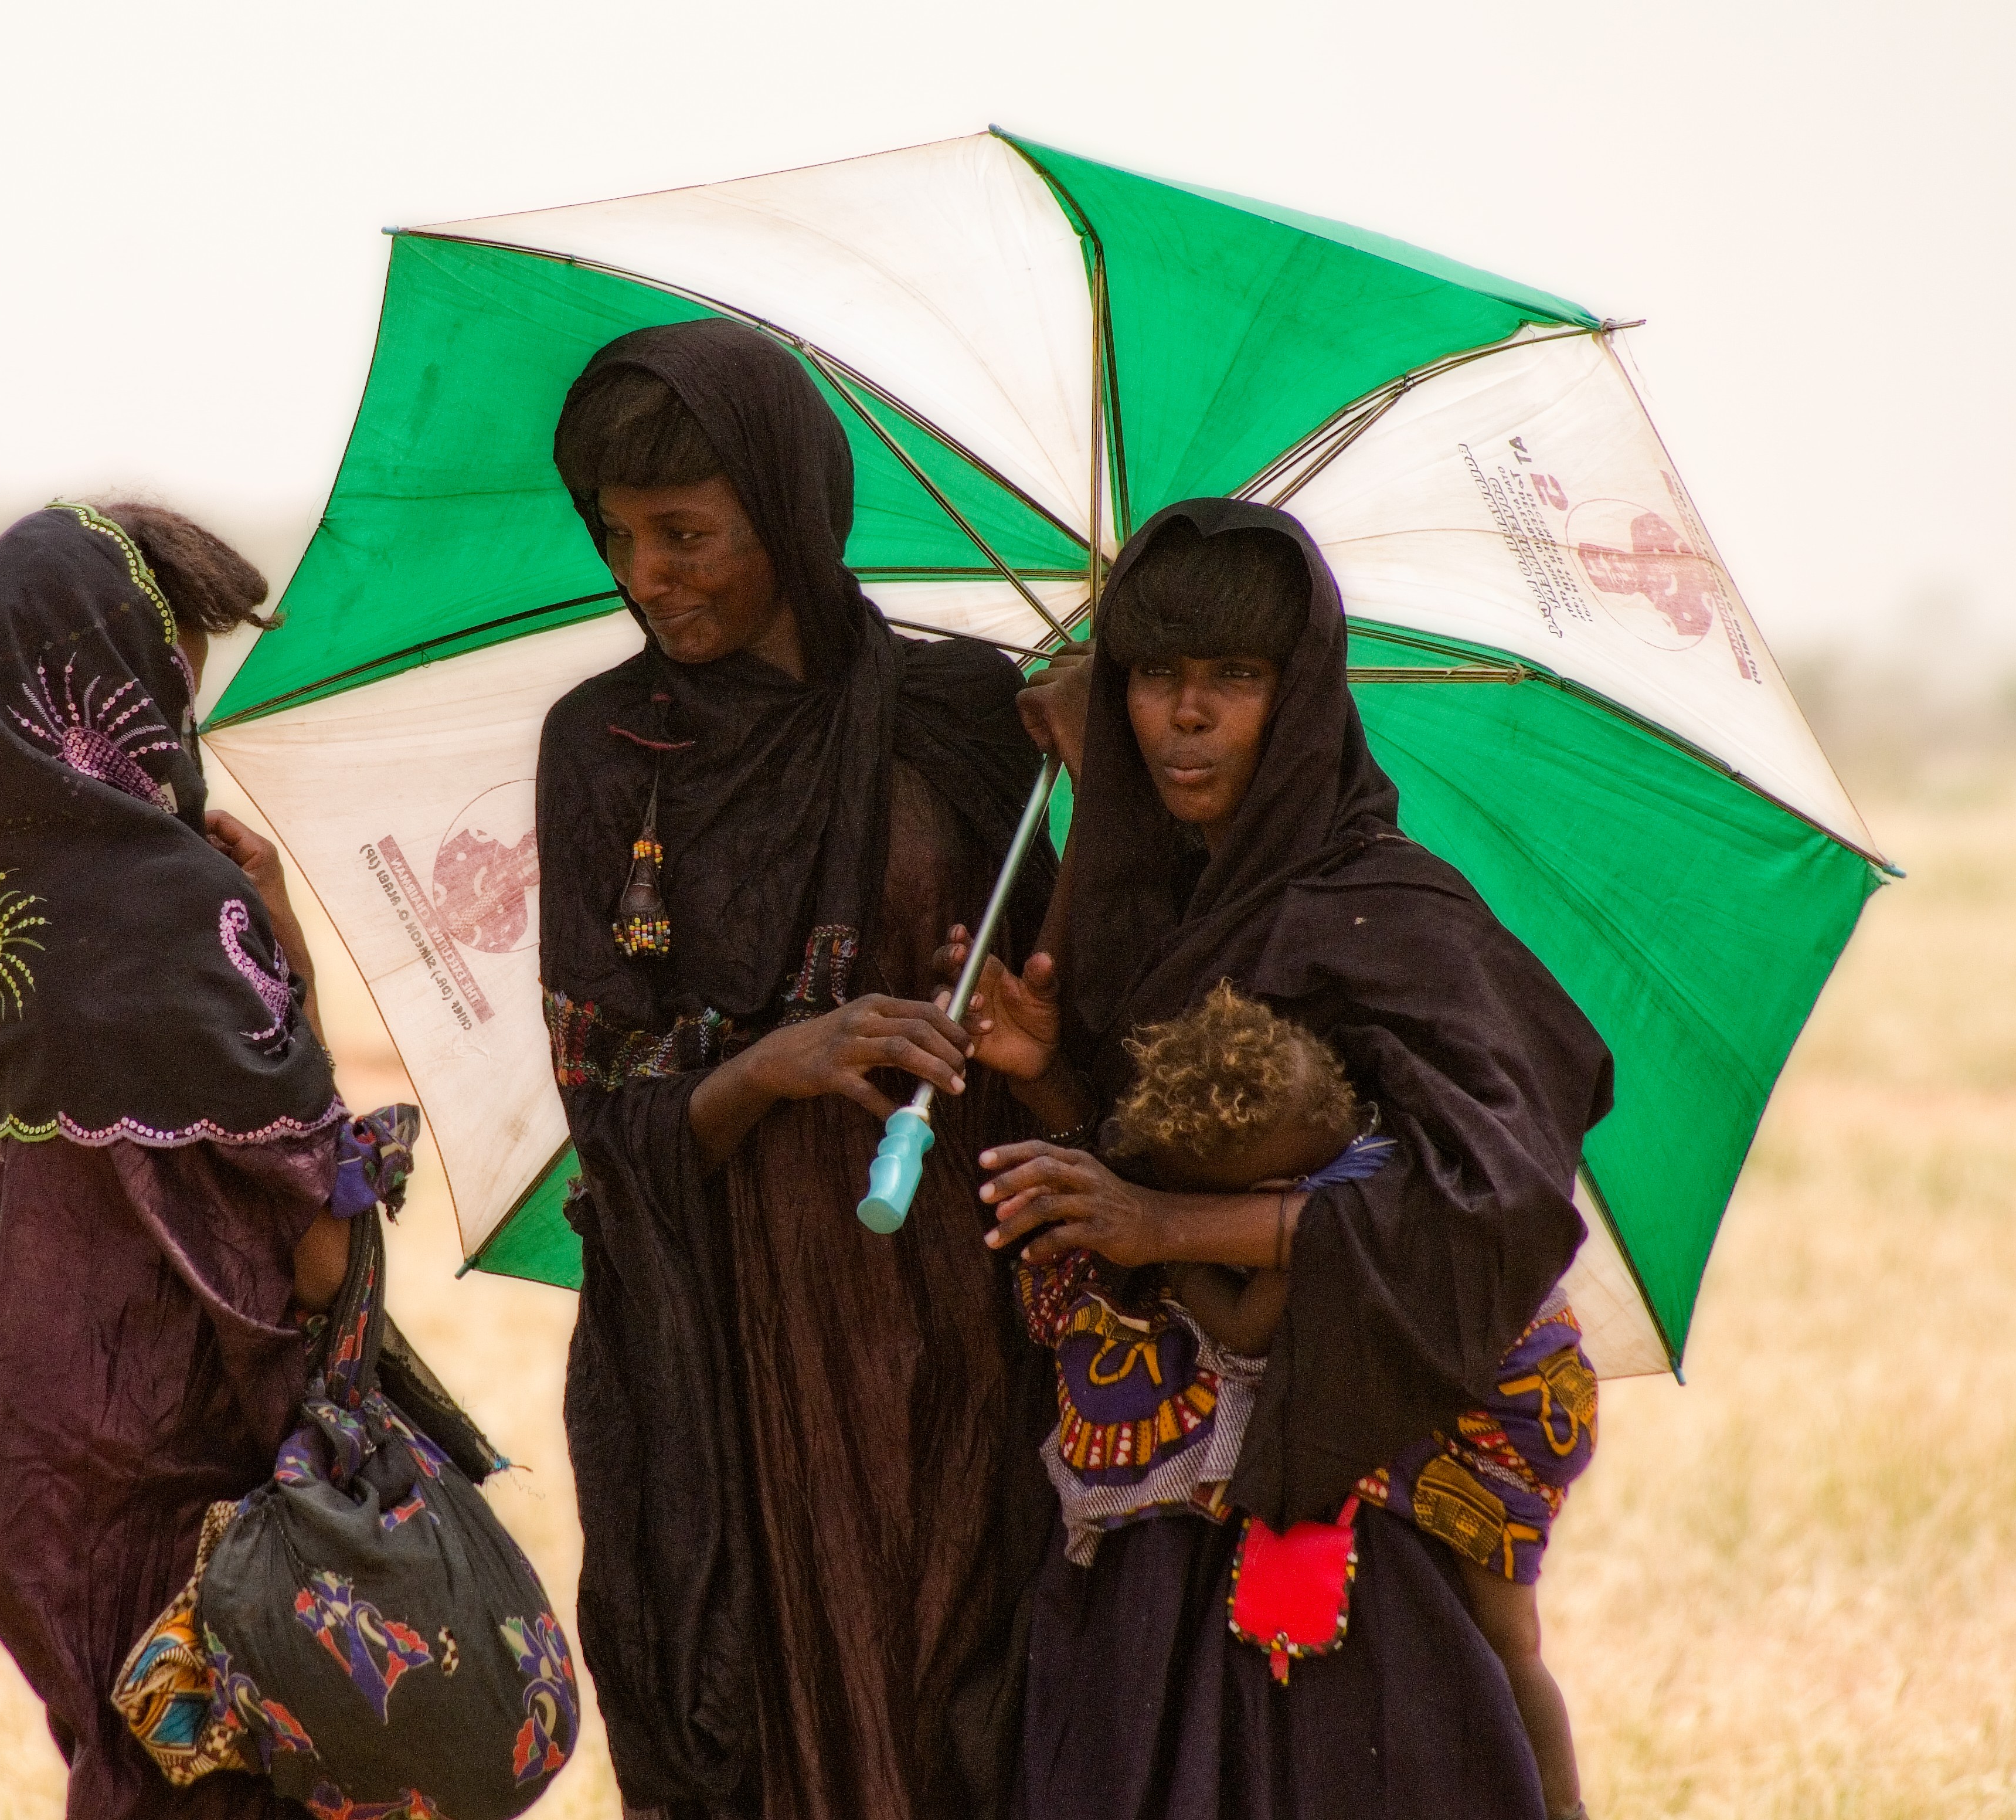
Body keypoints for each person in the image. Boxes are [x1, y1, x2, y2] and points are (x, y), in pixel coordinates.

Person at [955, 499, 1612, 1820]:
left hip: (1354, 1489)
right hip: (1149, 1495)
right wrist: (1050, 1073)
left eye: (1234, 679)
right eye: (1155, 676)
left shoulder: (1391, 911)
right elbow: (1162, 1147)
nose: (1184, 717)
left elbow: (1487, 1198)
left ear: (1300, 693)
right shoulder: (1145, 906)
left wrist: (1160, 1228)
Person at [535, 319, 1059, 1820]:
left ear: (788, 500)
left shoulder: (974, 712)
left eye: (687, 532)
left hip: (969, 1282)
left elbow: (1068, 1000)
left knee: (974, 1671)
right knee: (770, 1703)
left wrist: (1096, 787)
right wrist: (771, 1064)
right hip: (732, 1329)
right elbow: (603, 1099)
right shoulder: (602, 748)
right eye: (618, 537)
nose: (649, 575)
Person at [0, 499, 388, 1819]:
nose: (176, 743)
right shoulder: (180, 920)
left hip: (43, 1497)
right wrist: (285, 965)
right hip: (195, 1517)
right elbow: (319, 1253)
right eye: (166, 699)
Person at [1025, 980, 1592, 1814]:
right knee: (1515, 1641)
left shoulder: (1327, 1212)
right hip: (1546, 1370)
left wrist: (1171, 1245)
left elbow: (1248, 1330)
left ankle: (1560, 1804)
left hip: (1502, 1419)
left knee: (1510, 1639)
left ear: (1277, 1180)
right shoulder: (1395, 1137)